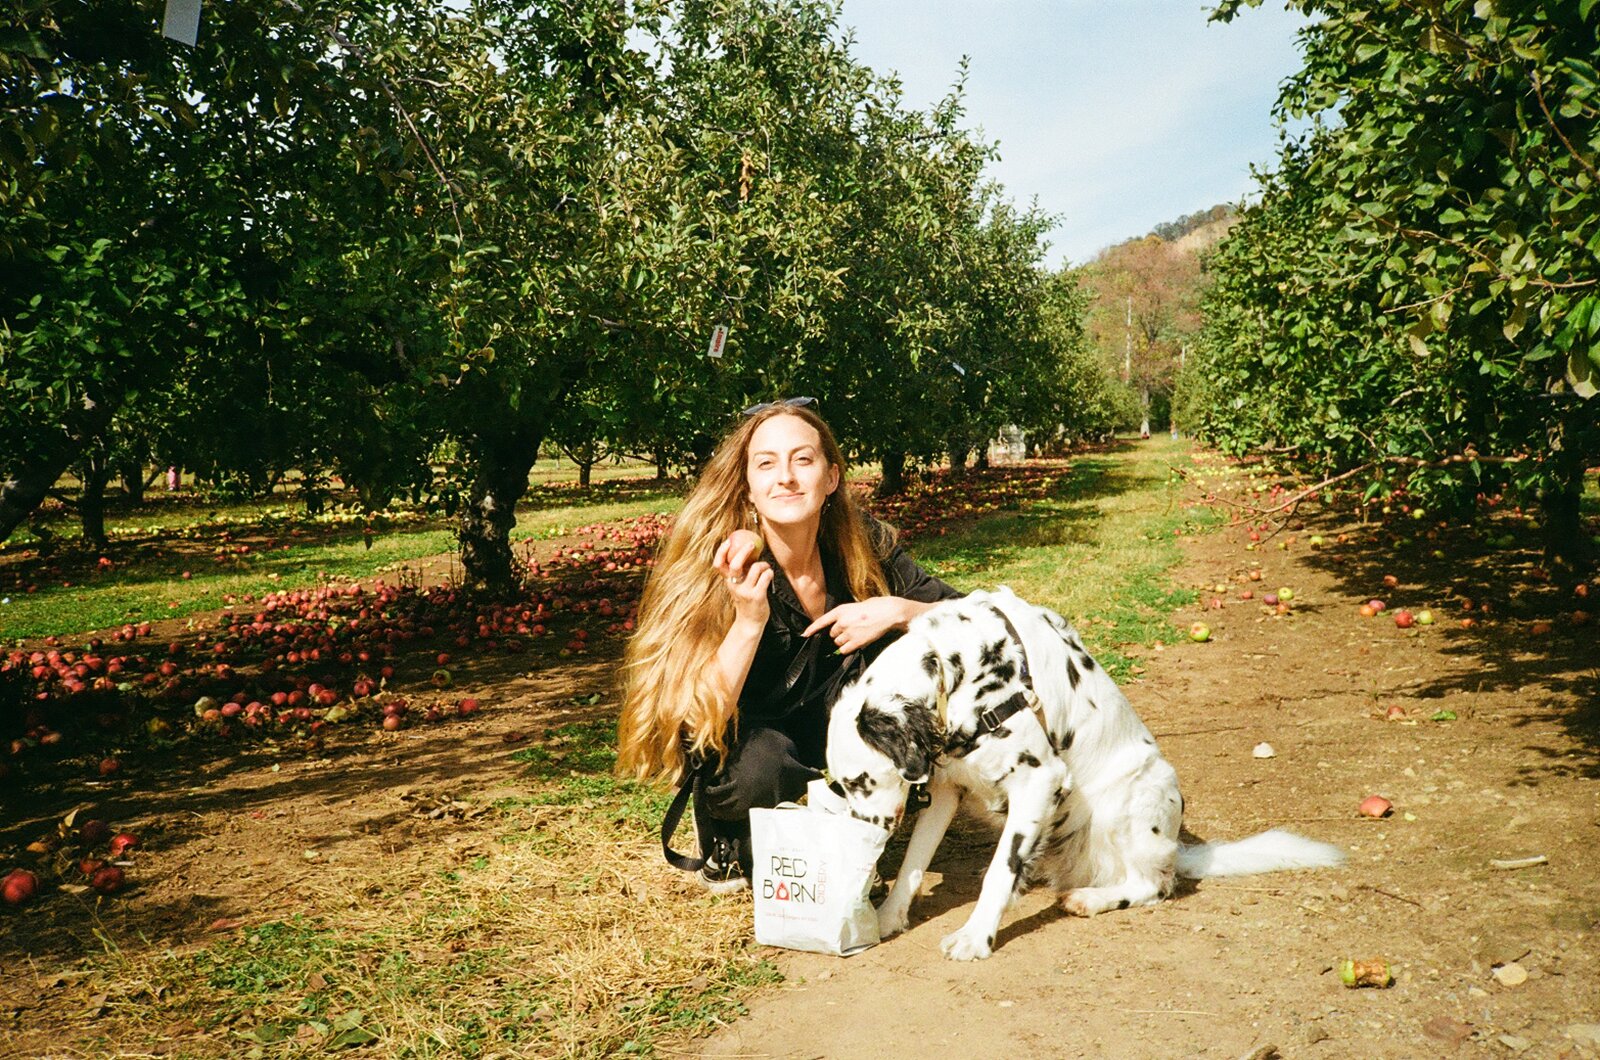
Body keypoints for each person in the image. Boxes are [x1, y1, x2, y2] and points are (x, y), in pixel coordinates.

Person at [617, 399, 963, 892]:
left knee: (907, 649)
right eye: (766, 464)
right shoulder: (718, 565)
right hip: (747, 736)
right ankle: (732, 831)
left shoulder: (859, 543)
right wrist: (749, 620)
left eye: (803, 459)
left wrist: (898, 611)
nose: (786, 477)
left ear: (831, 477)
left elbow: (969, 616)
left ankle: (860, 804)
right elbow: (693, 718)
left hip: (833, 712)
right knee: (763, 769)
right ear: (748, 486)